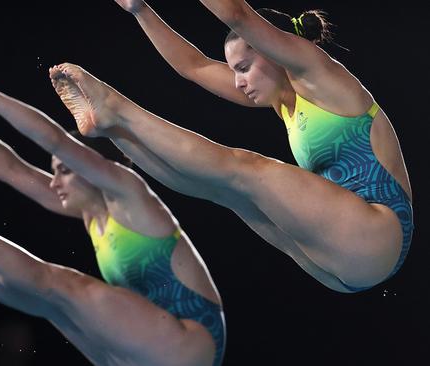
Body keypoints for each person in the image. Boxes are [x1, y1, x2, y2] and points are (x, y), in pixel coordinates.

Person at [47, 0, 413, 293]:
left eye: (243, 67)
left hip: (378, 233)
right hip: (339, 265)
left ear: (273, 49)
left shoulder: (317, 74)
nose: (238, 83)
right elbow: (194, 66)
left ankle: (118, 109)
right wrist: (141, 10)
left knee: (243, 168)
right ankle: (113, 130)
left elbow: (236, 12)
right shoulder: (278, 100)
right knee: (224, 191)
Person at [0, 64, 225, 366]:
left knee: (61, 285)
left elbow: (55, 140)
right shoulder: (90, 213)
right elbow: (9, 169)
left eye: (64, 171)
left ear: (91, 169)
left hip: (188, 342)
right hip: (145, 345)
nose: (55, 181)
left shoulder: (130, 193)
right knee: (23, 295)